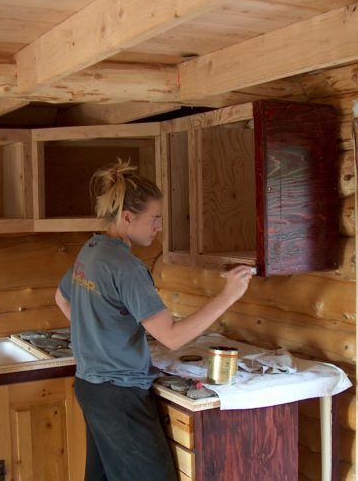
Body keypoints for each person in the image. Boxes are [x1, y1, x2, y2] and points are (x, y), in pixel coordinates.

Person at [55, 159, 254, 481]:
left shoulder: (91, 250)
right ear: (128, 217)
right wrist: (228, 295)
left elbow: (61, 297)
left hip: (91, 386)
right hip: (119, 394)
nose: (158, 227)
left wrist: (102, 334)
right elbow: (172, 337)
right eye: (155, 219)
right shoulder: (126, 267)